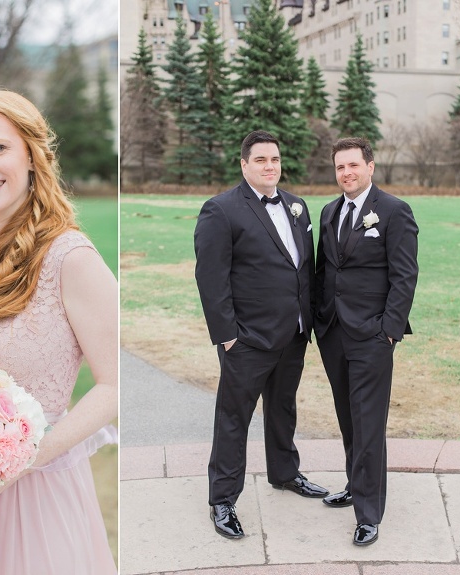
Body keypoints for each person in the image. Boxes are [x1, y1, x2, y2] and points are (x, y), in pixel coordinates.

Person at [0, 88, 117, 574]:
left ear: (32, 156)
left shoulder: (69, 257)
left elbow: (116, 386)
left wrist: (19, 462)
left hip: (35, 496)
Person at [194, 130, 328, 540]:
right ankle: (223, 500)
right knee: (234, 418)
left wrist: (308, 322)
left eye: (275, 159)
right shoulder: (221, 210)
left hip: (293, 333)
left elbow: (304, 269)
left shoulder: (297, 206)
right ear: (244, 165)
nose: (270, 166)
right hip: (247, 339)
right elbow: (210, 277)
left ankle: (285, 473)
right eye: (261, 160)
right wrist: (228, 336)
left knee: (283, 407)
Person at [314, 137, 418, 546]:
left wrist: (389, 330)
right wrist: (321, 322)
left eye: (353, 165)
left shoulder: (394, 211)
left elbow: (405, 275)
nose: (346, 173)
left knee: (369, 422)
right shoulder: (329, 212)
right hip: (334, 333)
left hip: (373, 335)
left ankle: (369, 514)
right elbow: (325, 271)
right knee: (347, 417)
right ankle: (355, 484)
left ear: (370, 167)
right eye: (340, 167)